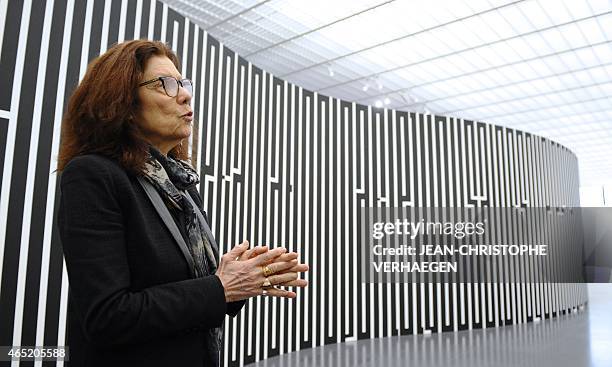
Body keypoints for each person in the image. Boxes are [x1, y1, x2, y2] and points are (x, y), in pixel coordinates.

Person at [56, 39, 308, 367]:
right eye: (166, 84)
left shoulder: (182, 186)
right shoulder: (93, 175)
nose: (186, 95)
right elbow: (108, 316)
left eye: (184, 83)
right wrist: (221, 288)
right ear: (123, 102)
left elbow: (194, 295)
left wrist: (246, 278)